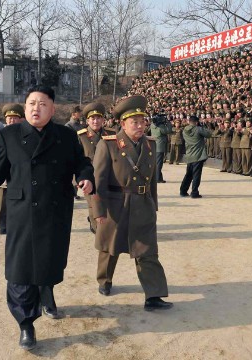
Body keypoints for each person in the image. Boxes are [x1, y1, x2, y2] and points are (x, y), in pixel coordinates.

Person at [0, 85, 94, 351]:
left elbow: (81, 162)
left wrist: (86, 177)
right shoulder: (9, 135)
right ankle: (26, 323)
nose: (35, 108)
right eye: (31, 103)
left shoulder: (65, 136)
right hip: (22, 211)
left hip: (55, 209)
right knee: (21, 268)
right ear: (25, 107)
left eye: (42, 104)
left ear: (52, 109)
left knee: (50, 259)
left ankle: (46, 292)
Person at [90, 95, 172, 311]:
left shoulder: (150, 145)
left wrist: (153, 204)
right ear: (123, 124)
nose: (140, 125)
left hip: (142, 205)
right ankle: (104, 281)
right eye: (134, 122)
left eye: (142, 121)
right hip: (116, 205)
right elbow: (98, 180)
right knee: (110, 248)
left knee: (147, 251)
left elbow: (153, 179)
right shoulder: (108, 145)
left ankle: (153, 296)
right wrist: (98, 210)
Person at [0, 104, 25, 235]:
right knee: (4, 204)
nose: (12, 120)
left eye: (15, 117)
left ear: (21, 119)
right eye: (9, 118)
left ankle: (18, 225)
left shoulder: (25, 134)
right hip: (4, 179)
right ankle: (3, 225)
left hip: (19, 178)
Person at [77, 102, 116, 234]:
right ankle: (97, 230)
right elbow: (76, 160)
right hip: (90, 178)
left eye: (98, 118)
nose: (96, 121)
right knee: (94, 205)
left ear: (103, 120)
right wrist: (77, 180)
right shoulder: (81, 136)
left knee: (109, 205)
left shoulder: (112, 134)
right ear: (87, 120)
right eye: (92, 118)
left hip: (109, 176)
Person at [180, 115, 212, 198]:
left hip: (189, 154)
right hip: (198, 155)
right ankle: (194, 192)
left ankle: (183, 191)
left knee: (188, 174)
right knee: (196, 175)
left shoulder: (184, 130)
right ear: (196, 122)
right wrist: (203, 126)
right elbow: (209, 134)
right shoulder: (198, 129)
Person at [149, 113, 173, 182]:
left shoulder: (152, 125)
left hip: (154, 145)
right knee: (159, 164)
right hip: (160, 146)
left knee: (156, 163)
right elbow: (168, 131)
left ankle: (159, 178)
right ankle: (157, 178)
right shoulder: (161, 127)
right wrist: (168, 122)